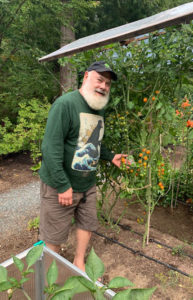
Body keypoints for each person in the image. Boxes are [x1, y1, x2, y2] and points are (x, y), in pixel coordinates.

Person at [39, 61, 125, 272]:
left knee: (86, 224)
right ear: (86, 76)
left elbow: (92, 141)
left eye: (108, 83)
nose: (104, 86)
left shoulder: (98, 108)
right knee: (54, 234)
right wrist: (62, 185)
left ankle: (79, 263)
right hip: (61, 186)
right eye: (100, 79)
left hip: (87, 184)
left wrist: (110, 156)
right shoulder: (65, 104)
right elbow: (50, 148)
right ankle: (52, 274)